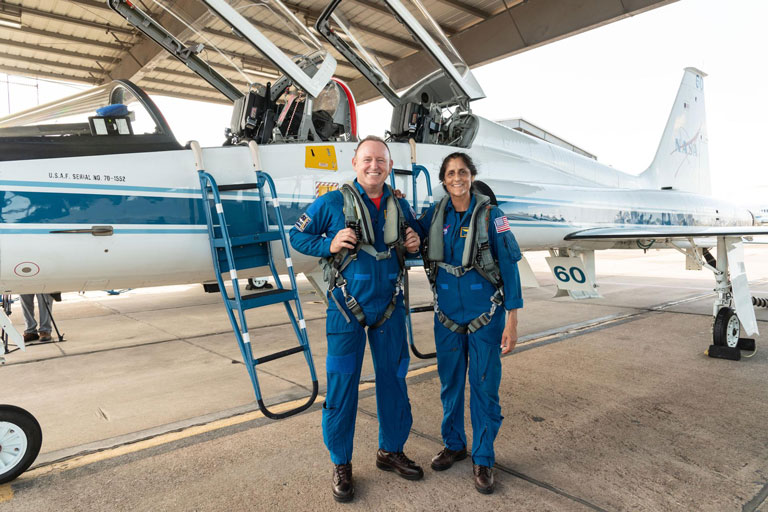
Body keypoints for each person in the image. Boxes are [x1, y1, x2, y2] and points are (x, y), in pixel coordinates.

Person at [289, 135, 424, 503]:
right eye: (367, 159)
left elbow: (416, 238)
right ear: (355, 163)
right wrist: (328, 245)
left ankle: (390, 450)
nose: (374, 166)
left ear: (389, 165)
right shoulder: (332, 202)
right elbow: (297, 235)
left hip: (390, 307)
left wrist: (414, 243)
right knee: (343, 385)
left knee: (394, 381)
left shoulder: (399, 204)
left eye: (380, 160)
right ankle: (341, 463)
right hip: (345, 308)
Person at [419, 152, 523, 494]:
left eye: (462, 172)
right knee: (450, 386)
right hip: (446, 316)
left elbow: (509, 268)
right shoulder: (435, 215)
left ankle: (483, 458)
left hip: (486, 316)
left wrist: (512, 320)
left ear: (471, 176)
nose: (456, 178)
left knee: (484, 389)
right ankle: (454, 445)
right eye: (450, 173)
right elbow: (409, 233)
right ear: (444, 179)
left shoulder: (493, 216)